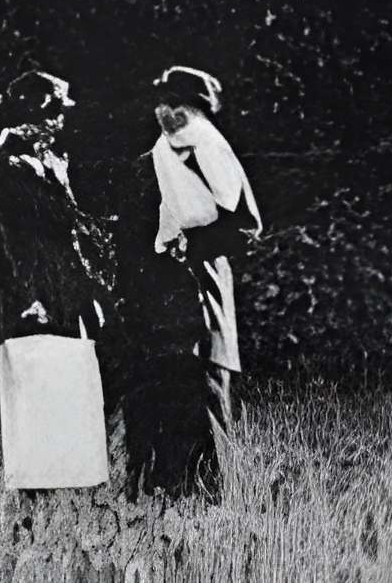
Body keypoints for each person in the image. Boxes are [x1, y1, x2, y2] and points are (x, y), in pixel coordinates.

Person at [119, 64, 262, 501]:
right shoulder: (162, 152)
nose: (166, 111)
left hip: (202, 279)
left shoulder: (209, 147)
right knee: (165, 383)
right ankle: (163, 492)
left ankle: (212, 495)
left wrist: (192, 245)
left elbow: (246, 225)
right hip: (163, 286)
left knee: (206, 383)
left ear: (195, 109)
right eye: (161, 103)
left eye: (176, 104)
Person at [0, 70, 112, 494]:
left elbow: (70, 232)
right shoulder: (1, 168)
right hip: (32, 305)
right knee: (38, 403)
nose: (63, 119)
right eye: (56, 110)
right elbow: (2, 245)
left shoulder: (51, 160)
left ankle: (73, 503)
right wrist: (29, 301)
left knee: (75, 399)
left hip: (70, 296)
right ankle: (38, 508)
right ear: (35, 111)